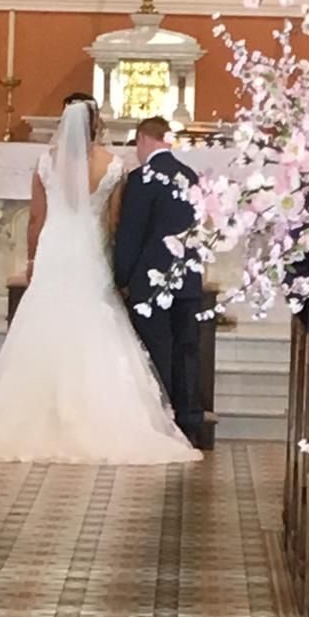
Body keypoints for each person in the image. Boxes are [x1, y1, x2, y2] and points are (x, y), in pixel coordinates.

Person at [0, 99, 198, 465]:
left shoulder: (46, 162)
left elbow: (35, 218)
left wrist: (31, 260)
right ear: (97, 128)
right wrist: (115, 264)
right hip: (90, 252)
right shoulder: (113, 165)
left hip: (55, 249)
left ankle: (33, 415)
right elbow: (114, 222)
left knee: (45, 323)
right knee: (95, 326)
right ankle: (102, 416)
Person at [113, 116, 204, 445]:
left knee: (156, 350)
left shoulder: (144, 178)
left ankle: (160, 420)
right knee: (187, 350)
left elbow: (131, 234)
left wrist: (121, 276)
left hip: (151, 284)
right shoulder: (190, 175)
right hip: (188, 280)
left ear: (141, 139)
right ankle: (190, 419)